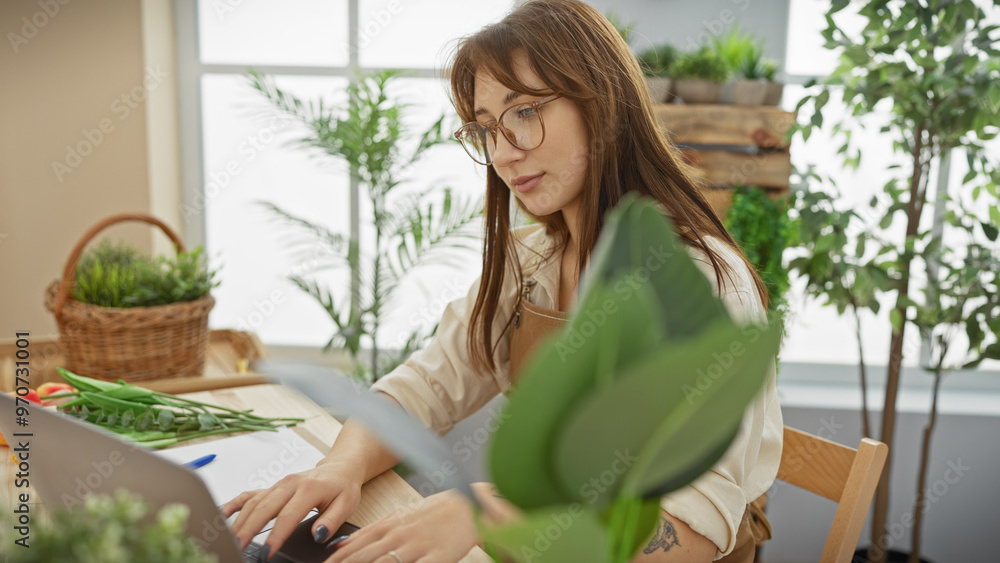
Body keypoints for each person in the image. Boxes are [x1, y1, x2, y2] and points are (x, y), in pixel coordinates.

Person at [222, 1, 782, 561]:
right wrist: (339, 467)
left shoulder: (700, 283)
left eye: (524, 112)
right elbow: (427, 387)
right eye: (487, 128)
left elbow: (691, 536)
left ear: (603, 103)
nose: (503, 152)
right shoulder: (531, 263)